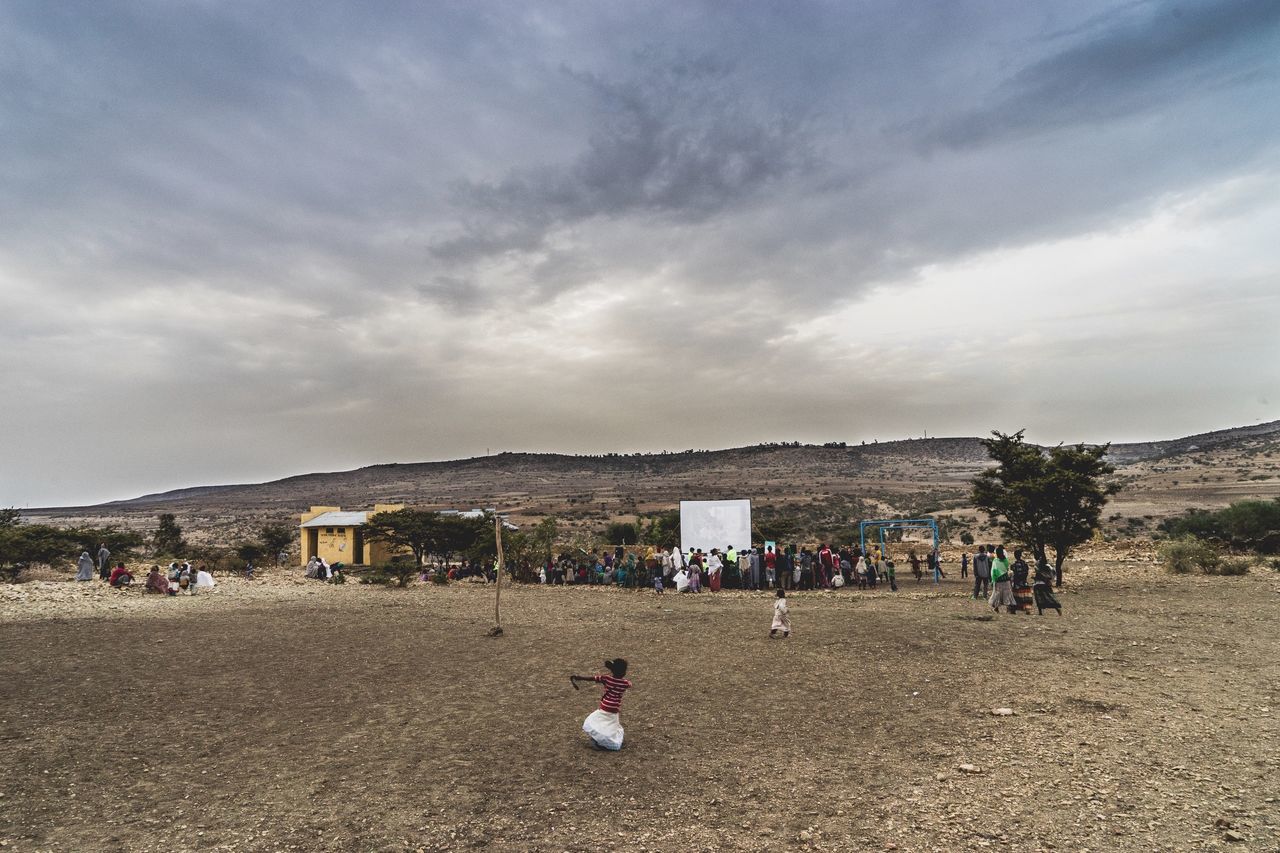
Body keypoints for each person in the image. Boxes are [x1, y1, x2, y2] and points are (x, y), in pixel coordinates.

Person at [570, 659, 631, 751]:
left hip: (605, 705)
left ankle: (597, 739)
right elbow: (630, 684)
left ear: (612, 670)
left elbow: (592, 678)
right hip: (614, 708)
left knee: (597, 721)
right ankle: (608, 740)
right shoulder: (625, 683)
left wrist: (579, 677)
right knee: (611, 725)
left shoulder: (606, 678)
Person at [989, 546, 1016, 614]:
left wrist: (993, 580)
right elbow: (1007, 569)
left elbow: (993, 571)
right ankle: (1009, 609)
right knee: (1007, 594)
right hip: (1006, 580)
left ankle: (996, 608)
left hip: (998, 580)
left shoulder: (995, 561)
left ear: (997, 553)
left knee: (997, 594)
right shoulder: (1006, 560)